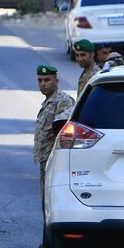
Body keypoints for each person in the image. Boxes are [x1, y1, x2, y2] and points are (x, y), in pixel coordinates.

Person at [33, 65, 76, 205]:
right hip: (45, 159)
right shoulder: (48, 102)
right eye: (40, 80)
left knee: (54, 201)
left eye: (47, 80)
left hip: (55, 160)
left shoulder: (63, 101)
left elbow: (62, 127)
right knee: (46, 200)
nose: (43, 84)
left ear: (56, 81)